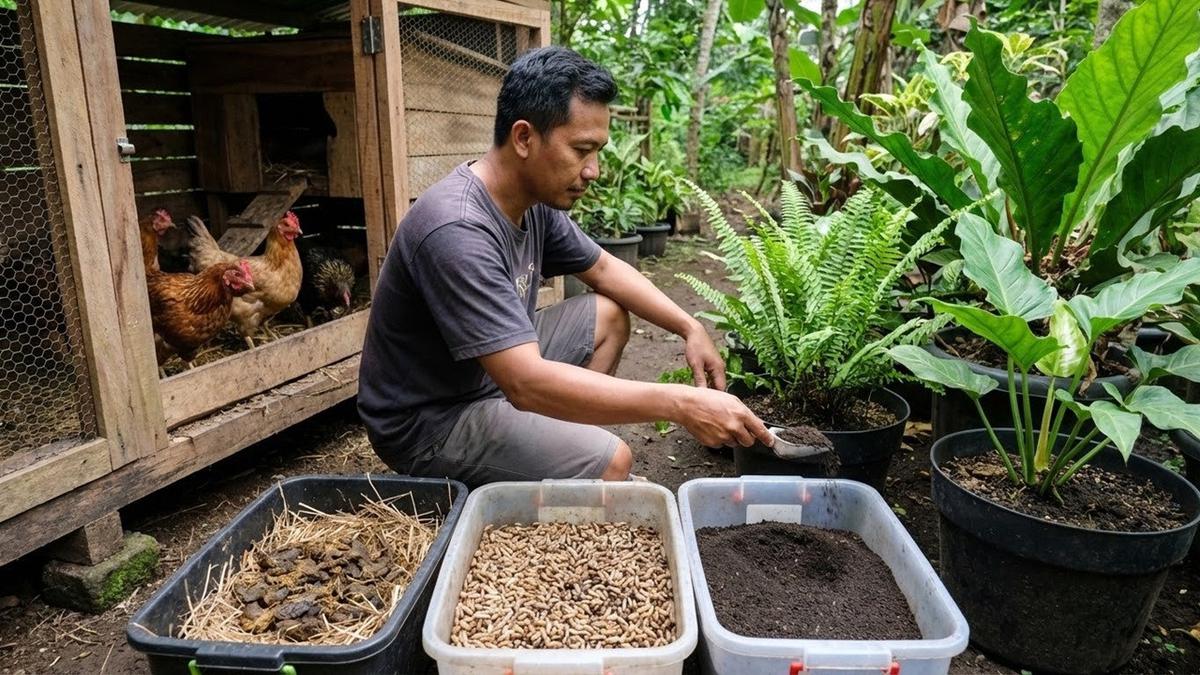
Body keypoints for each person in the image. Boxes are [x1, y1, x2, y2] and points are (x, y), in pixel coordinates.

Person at [357, 46, 772, 487]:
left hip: (486, 378)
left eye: (598, 151)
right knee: (613, 462)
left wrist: (690, 327)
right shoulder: (457, 229)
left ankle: (560, 451)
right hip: (431, 421)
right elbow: (526, 383)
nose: (593, 170)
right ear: (523, 138)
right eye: (581, 150)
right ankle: (575, 466)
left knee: (608, 315)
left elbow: (607, 270)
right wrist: (681, 403)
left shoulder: (530, 202)